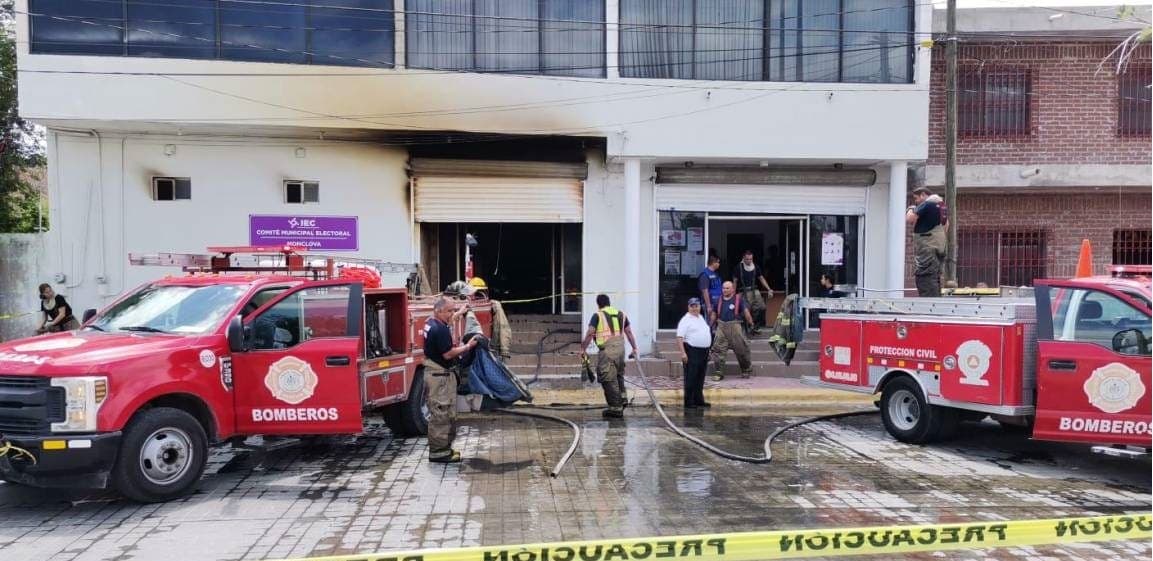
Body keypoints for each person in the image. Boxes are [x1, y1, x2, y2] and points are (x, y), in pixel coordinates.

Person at [422, 297, 480, 464]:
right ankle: (439, 453)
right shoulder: (439, 330)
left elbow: (447, 323)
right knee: (441, 414)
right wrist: (468, 346)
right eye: (449, 311)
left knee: (444, 413)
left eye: (454, 310)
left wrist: (460, 313)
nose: (452, 314)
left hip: (436, 375)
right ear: (438, 311)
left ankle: (444, 448)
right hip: (440, 378)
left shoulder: (432, 322)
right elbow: (448, 354)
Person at [580, 294, 639, 418]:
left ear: (598, 304)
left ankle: (615, 408)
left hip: (607, 350)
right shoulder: (621, 314)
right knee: (618, 375)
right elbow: (628, 332)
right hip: (620, 349)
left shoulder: (598, 315)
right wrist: (634, 348)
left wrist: (583, 348)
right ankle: (622, 399)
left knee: (607, 378)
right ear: (609, 302)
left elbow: (591, 333)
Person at [906, 187, 947, 297]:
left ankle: (930, 306)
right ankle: (936, 303)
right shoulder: (941, 206)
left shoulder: (928, 204)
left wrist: (910, 209)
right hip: (939, 247)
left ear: (923, 195)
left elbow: (910, 218)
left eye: (916, 198)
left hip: (928, 248)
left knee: (925, 277)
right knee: (934, 276)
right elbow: (946, 225)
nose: (916, 202)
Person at [709, 281, 754, 381]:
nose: (725, 290)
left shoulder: (739, 299)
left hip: (735, 326)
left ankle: (745, 369)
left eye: (727, 288)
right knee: (718, 350)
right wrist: (709, 326)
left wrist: (751, 323)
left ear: (733, 289)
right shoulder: (718, 300)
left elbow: (746, 312)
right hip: (721, 326)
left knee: (742, 349)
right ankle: (719, 372)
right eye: (723, 288)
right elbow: (714, 314)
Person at [676, 298, 712, 409]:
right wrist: (683, 353)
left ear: (700, 306)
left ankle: (698, 400)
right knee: (691, 376)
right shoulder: (685, 319)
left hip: (704, 351)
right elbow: (679, 337)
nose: (694, 308)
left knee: (700, 377)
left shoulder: (701, 317)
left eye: (696, 306)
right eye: (692, 306)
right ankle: (689, 401)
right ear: (688, 307)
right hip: (692, 350)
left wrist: (708, 350)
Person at [732, 250, 774, 334]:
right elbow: (735, 282)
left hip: (755, 291)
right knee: (745, 311)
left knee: (762, 308)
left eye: (751, 259)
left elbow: (761, 278)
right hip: (743, 291)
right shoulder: (738, 267)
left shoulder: (756, 267)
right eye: (747, 259)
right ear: (743, 258)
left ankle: (754, 326)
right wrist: (733, 295)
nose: (749, 261)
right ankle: (746, 329)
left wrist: (769, 289)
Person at [697, 256, 723, 323]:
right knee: (709, 322)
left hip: (717, 302)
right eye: (718, 262)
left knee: (715, 322)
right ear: (713, 263)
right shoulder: (705, 275)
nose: (719, 264)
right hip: (710, 303)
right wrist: (708, 306)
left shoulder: (715, 274)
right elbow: (705, 291)